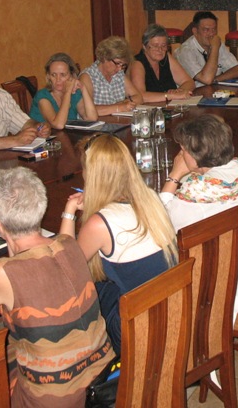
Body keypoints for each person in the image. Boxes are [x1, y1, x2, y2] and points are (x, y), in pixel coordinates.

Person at [0, 167, 114, 408]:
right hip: (105, 380)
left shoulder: (2, 273)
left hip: (54, 400)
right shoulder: (70, 246)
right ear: (41, 208)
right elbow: (59, 244)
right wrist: (69, 210)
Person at [161, 114, 238, 318]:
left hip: (237, 296)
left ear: (193, 155)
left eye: (183, 150)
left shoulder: (198, 194)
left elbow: (161, 224)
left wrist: (174, 176)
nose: (180, 155)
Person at [60, 134, 177, 354]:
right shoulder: (151, 199)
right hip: (172, 312)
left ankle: (80, 360)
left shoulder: (100, 224)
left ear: (92, 175)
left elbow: (65, 272)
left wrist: (69, 212)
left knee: (79, 294)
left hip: (135, 329)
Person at [30, 52, 98, 129]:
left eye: (63, 75)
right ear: (48, 76)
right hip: (43, 136)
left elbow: (92, 118)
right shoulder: (42, 96)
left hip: (65, 135)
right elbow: (58, 125)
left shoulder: (74, 94)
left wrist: (83, 88)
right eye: (53, 75)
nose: (58, 79)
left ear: (71, 75)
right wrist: (67, 92)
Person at [129, 23, 195, 103]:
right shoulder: (137, 63)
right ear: (144, 47)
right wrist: (171, 96)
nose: (160, 50)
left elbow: (189, 82)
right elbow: (140, 96)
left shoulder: (166, 57)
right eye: (155, 46)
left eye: (163, 46)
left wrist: (179, 91)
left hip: (168, 106)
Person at [175, 11, 238, 87]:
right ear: (195, 31)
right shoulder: (185, 52)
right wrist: (215, 48)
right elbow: (207, 80)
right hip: (192, 92)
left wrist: (215, 80)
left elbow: (237, 70)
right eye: (206, 30)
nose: (211, 34)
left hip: (212, 88)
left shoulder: (217, 43)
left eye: (214, 29)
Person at [79, 36, 143, 116]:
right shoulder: (87, 77)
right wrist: (119, 107)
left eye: (123, 65)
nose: (120, 68)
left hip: (116, 121)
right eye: (117, 63)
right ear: (105, 57)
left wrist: (123, 104)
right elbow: (87, 111)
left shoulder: (119, 74)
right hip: (97, 123)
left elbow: (139, 97)